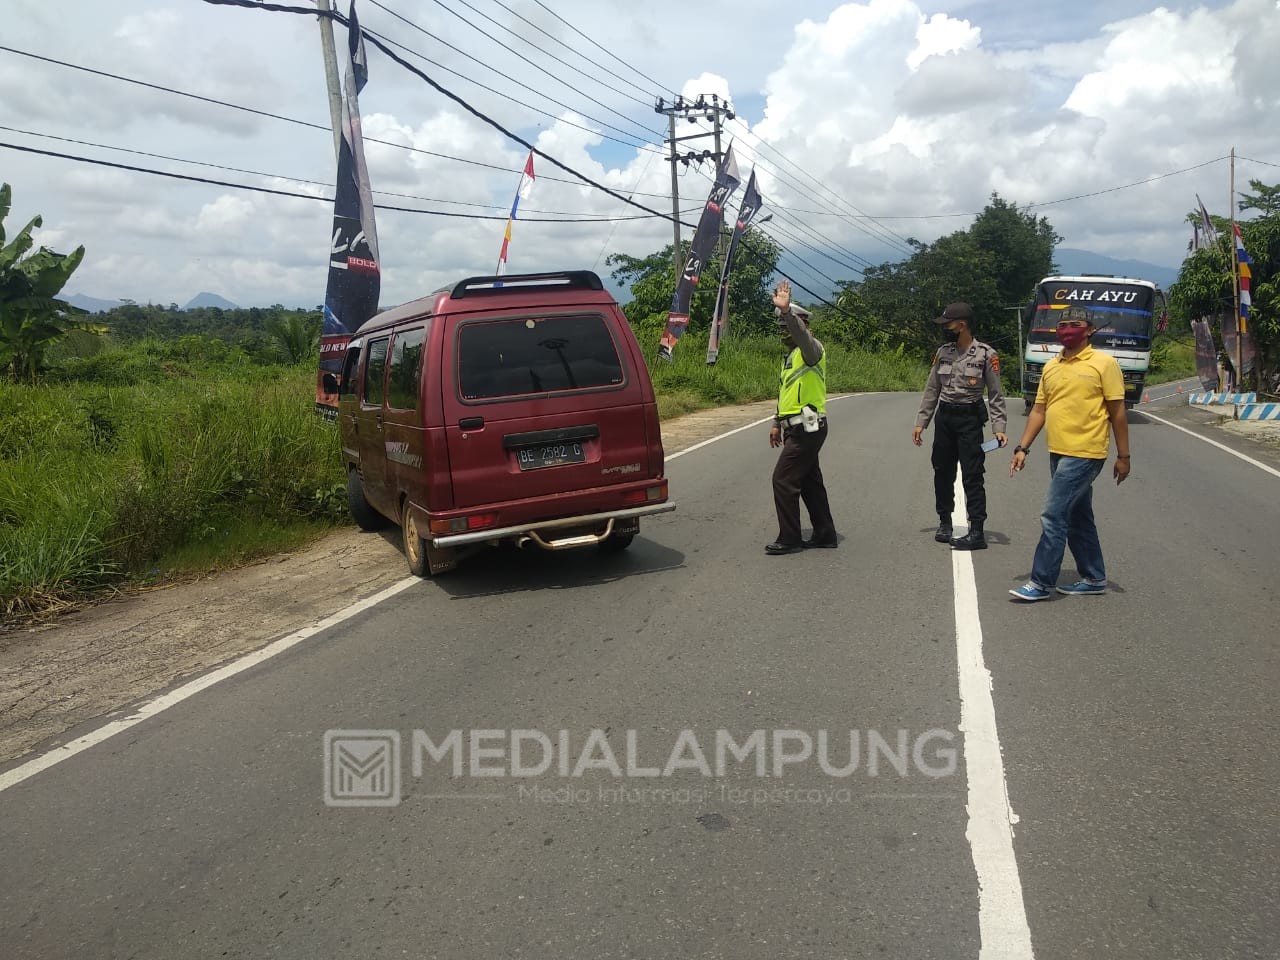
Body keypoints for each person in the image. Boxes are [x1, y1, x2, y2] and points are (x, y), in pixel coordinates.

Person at [1007, 305, 1131, 600]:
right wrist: (1022, 447)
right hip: (1058, 451)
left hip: (1087, 452)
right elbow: (1039, 410)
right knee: (1078, 516)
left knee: (1053, 513)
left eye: (1074, 324)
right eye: (1062, 325)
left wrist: (1124, 456)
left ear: (1089, 330)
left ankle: (1040, 582)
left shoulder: (1104, 364)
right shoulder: (1051, 366)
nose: (1067, 330)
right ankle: (1094, 577)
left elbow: (1118, 412)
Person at [912, 302, 1007, 551]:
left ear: (961, 324)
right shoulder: (943, 352)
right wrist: (922, 422)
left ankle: (976, 530)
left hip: (970, 419)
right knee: (942, 471)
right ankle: (945, 522)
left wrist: (999, 427)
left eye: (949, 323)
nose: (945, 327)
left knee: (973, 474)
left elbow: (996, 394)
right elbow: (932, 389)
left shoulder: (986, 354)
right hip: (945, 417)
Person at [765, 279, 838, 555]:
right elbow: (786, 394)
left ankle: (790, 538)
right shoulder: (792, 357)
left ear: (803, 325)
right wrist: (775, 423)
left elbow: (800, 336)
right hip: (795, 427)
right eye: (781, 327)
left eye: (788, 326)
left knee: (782, 480)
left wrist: (786, 312)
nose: (784, 331)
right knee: (809, 481)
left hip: (809, 427)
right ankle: (825, 534)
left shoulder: (811, 350)